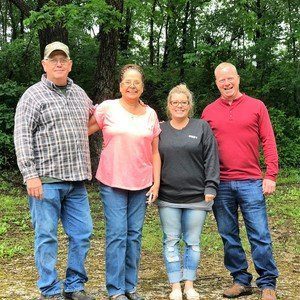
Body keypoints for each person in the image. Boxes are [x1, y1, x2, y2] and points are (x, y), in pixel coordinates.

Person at [14, 41, 94, 300]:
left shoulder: (80, 94)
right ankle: (49, 289)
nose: (58, 63)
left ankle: (74, 286)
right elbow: (22, 137)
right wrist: (30, 175)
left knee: (82, 234)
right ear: (44, 64)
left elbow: (100, 117)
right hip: (45, 181)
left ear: (70, 64)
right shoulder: (33, 95)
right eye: (53, 59)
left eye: (63, 59)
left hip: (77, 181)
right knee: (46, 237)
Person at [201, 62, 279, 300]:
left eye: (230, 78)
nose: (226, 83)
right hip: (220, 183)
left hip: (251, 181)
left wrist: (271, 175)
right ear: (216, 83)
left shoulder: (257, 106)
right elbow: (201, 148)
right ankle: (240, 280)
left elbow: (268, 140)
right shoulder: (209, 111)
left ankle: (267, 283)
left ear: (238, 79)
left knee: (260, 234)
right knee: (228, 234)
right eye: (221, 80)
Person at [88, 64, 161, 300]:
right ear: (120, 86)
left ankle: (130, 287)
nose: (132, 86)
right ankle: (116, 290)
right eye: (127, 82)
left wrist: (156, 183)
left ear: (142, 87)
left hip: (141, 183)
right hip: (112, 182)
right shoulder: (108, 108)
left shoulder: (150, 114)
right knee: (117, 234)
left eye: (136, 82)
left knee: (134, 236)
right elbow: (80, 130)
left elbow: (155, 153)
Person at [157, 84, 220, 300]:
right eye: (175, 102)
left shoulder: (201, 127)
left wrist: (211, 186)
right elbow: (153, 160)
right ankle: (175, 286)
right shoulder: (160, 129)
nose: (179, 106)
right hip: (168, 198)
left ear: (189, 105)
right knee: (171, 241)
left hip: (197, 197)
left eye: (183, 102)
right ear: (169, 105)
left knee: (193, 242)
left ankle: (189, 284)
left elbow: (211, 158)